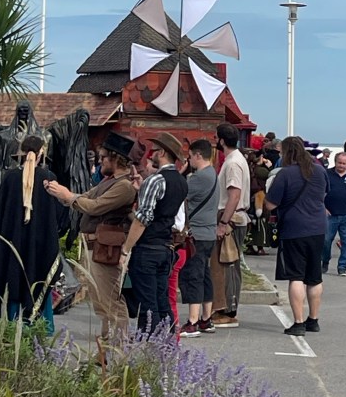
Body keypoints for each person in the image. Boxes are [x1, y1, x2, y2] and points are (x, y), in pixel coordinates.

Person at [46, 131, 136, 341]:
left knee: (110, 298)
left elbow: (95, 206)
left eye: (103, 157)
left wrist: (68, 196)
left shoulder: (124, 186)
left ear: (115, 158)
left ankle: (119, 343)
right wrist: (63, 194)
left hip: (105, 247)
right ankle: (107, 339)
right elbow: (86, 197)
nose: (100, 161)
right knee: (99, 299)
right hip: (94, 246)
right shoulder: (109, 181)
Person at [0, 134, 61, 332]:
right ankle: (41, 332)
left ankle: (9, 331)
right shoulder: (49, 179)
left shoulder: (10, 178)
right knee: (38, 279)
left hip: (11, 245)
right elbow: (57, 217)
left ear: (22, 152)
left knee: (11, 279)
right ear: (41, 153)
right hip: (38, 246)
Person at [119, 131, 188, 334]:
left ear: (163, 153)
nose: (151, 155)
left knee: (147, 305)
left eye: (154, 151)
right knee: (162, 301)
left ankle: (152, 345)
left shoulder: (156, 180)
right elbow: (163, 210)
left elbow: (143, 220)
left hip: (147, 248)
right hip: (166, 246)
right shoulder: (181, 182)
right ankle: (168, 343)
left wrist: (126, 249)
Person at [265, 135, 328, 335]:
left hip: (294, 229)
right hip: (318, 227)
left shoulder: (285, 174)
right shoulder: (320, 171)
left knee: (296, 277)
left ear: (286, 153)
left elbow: (270, 204)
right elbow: (324, 194)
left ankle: (298, 322)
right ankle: (314, 320)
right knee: (314, 277)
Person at [178, 139, 221, 338]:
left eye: (190, 157)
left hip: (197, 234)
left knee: (193, 276)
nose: (189, 161)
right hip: (209, 232)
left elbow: (178, 192)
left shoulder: (198, 178)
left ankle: (193, 322)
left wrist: (181, 173)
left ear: (198, 155)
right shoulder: (213, 174)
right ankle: (206, 318)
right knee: (204, 275)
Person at [210, 123, 251, 327]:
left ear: (222, 140)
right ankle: (225, 307)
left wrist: (223, 223)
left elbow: (234, 195)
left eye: (216, 137)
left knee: (228, 265)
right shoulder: (235, 159)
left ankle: (228, 310)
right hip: (232, 217)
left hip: (232, 219)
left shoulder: (233, 163)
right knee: (227, 264)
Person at [322, 152, 346, 276]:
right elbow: (321, 192)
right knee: (326, 240)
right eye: (339, 163)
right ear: (335, 162)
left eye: (344, 163)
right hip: (330, 214)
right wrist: (323, 208)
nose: (341, 165)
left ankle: (342, 266)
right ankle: (325, 261)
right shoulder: (327, 174)